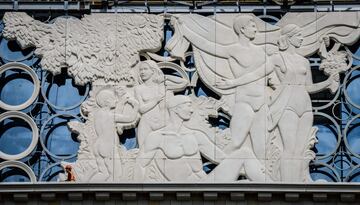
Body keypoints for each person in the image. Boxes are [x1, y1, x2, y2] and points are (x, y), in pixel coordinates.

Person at [174, 15, 274, 162]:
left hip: (261, 102)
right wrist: (185, 29)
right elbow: (206, 45)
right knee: (236, 142)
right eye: (252, 26)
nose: (255, 30)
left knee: (261, 147)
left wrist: (233, 82)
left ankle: (259, 176)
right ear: (242, 29)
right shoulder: (233, 50)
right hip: (245, 102)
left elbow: (264, 71)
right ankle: (224, 169)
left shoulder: (260, 51)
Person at [269, 24, 339, 181]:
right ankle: (287, 184)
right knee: (289, 148)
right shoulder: (276, 58)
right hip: (287, 104)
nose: (301, 38)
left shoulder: (304, 61)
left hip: (305, 104)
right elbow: (261, 77)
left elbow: (308, 87)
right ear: (289, 38)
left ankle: (300, 181)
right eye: (298, 35)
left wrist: (327, 83)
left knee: (300, 149)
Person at [137, 95, 227, 181]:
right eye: (188, 106)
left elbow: (221, 158)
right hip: (171, 192)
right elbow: (140, 164)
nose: (192, 110)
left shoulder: (196, 135)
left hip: (202, 185)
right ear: (176, 109)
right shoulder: (157, 137)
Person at [92, 87, 139, 181]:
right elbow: (131, 118)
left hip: (97, 146)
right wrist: (136, 106)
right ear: (106, 102)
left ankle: (88, 188)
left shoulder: (99, 114)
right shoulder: (110, 116)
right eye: (112, 98)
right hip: (108, 147)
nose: (115, 100)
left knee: (103, 174)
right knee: (117, 175)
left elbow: (116, 114)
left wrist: (122, 103)